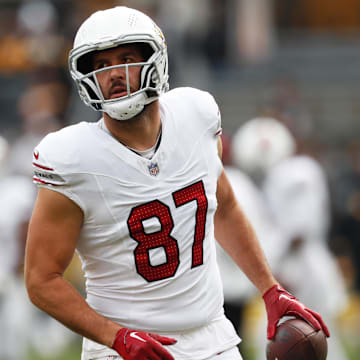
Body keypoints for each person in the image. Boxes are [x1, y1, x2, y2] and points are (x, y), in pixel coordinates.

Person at [24, 7, 329, 360]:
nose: (113, 74)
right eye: (101, 65)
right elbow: (41, 279)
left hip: (212, 337)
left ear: (156, 61)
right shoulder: (72, 157)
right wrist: (116, 337)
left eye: (126, 59)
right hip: (123, 348)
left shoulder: (195, 115)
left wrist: (271, 290)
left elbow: (224, 207)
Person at [231, 116, 348, 360]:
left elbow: (299, 231)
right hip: (297, 266)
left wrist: (275, 265)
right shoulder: (284, 175)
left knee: (311, 340)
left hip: (302, 269)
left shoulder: (296, 172)